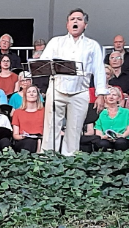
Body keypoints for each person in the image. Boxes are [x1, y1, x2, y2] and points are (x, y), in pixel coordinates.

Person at [39, 8, 108, 155]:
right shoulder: (56, 42)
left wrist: (100, 94)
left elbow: (99, 70)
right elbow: (43, 64)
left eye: (79, 19)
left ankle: (69, 160)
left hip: (80, 91)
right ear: (67, 24)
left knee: (75, 128)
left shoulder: (93, 45)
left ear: (85, 25)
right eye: (72, 19)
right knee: (51, 126)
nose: (75, 21)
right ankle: (48, 159)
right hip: (57, 88)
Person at [93, 87, 129, 152]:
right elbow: (98, 131)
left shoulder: (126, 112)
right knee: (102, 144)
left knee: (120, 142)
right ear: (105, 98)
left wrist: (122, 135)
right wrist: (103, 136)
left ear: (119, 98)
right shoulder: (100, 113)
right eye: (108, 94)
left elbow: (128, 130)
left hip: (122, 138)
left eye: (114, 95)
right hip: (106, 139)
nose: (111, 97)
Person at [11, 86, 44, 153]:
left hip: (41, 138)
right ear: (25, 96)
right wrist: (23, 137)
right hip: (24, 140)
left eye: (34, 92)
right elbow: (15, 135)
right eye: (29, 92)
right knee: (30, 142)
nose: (31, 94)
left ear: (38, 95)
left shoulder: (45, 111)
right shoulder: (17, 112)